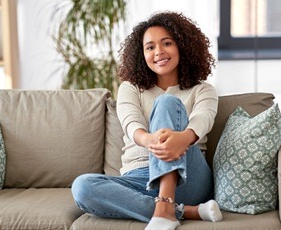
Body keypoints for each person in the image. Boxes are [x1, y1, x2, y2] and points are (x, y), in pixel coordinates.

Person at [71, 11, 222, 230]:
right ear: (141, 54)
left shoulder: (203, 90)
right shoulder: (130, 88)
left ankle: (165, 207)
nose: (158, 52)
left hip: (188, 176)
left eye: (167, 43)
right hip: (140, 179)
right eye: (150, 47)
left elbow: (203, 119)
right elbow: (131, 123)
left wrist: (184, 138)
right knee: (82, 187)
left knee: (167, 103)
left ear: (183, 46)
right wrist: (149, 140)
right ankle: (181, 211)